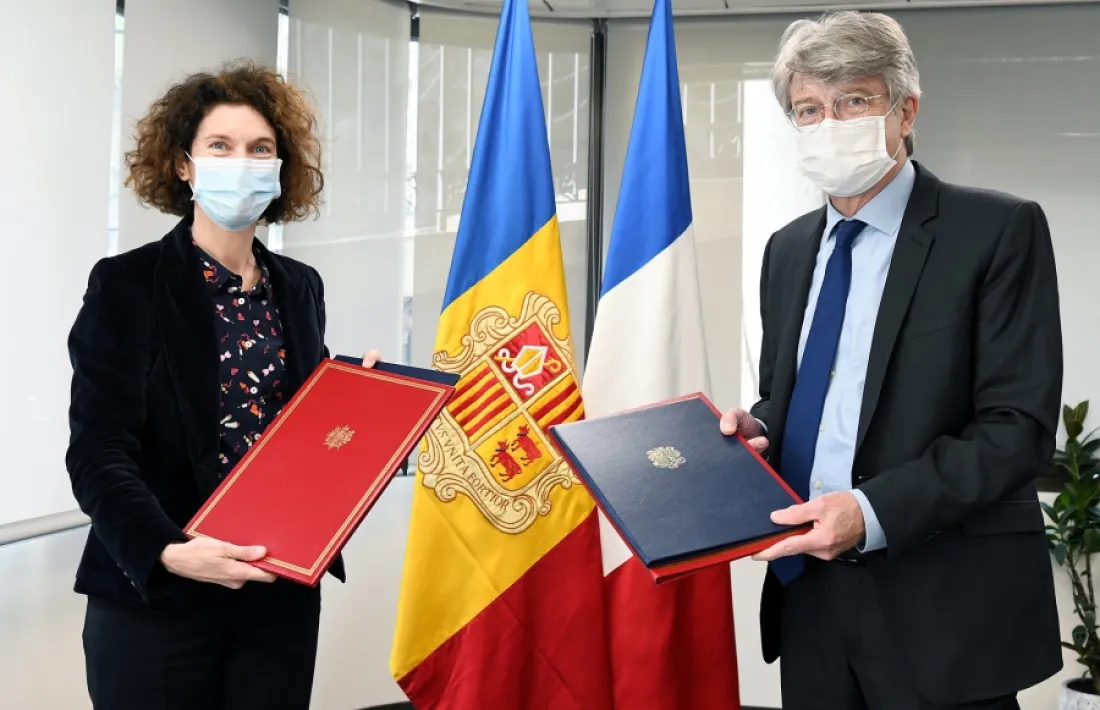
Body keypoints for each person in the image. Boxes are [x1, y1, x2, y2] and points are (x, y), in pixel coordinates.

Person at [720, 11, 1062, 710]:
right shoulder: (788, 250)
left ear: (905, 111)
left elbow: (1016, 428)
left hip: (942, 607)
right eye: (808, 109)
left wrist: (870, 512)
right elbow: (797, 398)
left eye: (853, 101)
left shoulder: (996, 230)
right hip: (810, 600)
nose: (828, 123)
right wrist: (763, 431)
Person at [67, 61, 377, 710]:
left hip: (278, 592)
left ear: (281, 168)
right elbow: (98, 451)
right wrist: (168, 551)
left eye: (260, 149)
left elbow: (302, 438)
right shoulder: (127, 284)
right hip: (159, 598)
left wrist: (366, 406)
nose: (243, 162)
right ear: (183, 165)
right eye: (220, 146)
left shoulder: (300, 286)